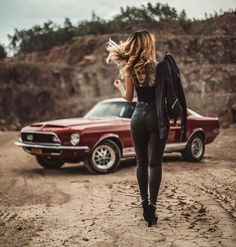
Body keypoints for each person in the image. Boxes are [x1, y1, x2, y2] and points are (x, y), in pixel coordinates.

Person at [106, 30, 170, 227]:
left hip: (138, 116)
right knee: (155, 164)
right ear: (148, 45)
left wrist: (119, 87)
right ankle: (152, 208)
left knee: (141, 163)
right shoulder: (160, 67)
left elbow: (128, 98)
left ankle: (143, 205)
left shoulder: (130, 69)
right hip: (156, 116)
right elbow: (166, 95)